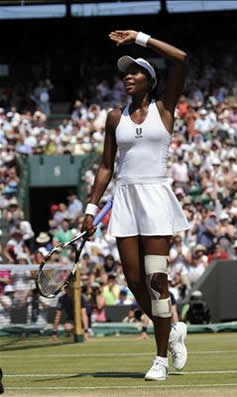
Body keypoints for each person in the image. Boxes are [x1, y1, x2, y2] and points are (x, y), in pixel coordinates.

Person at [82, 29, 190, 381]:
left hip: (156, 197)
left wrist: (140, 38)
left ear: (151, 81)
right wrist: (89, 209)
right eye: (125, 73)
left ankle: (160, 357)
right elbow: (105, 167)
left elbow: (181, 59)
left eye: (136, 71)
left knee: (157, 278)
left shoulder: (165, 108)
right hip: (125, 198)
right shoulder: (115, 118)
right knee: (133, 279)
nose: (128, 76)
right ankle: (172, 328)